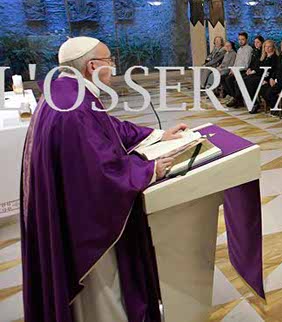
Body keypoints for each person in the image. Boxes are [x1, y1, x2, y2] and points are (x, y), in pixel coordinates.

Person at [21, 36, 187, 322]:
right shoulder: (74, 107)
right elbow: (98, 174)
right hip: (84, 225)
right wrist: (147, 170)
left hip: (65, 208)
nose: (114, 67)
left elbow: (108, 129)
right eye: (110, 61)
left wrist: (159, 135)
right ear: (92, 66)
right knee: (103, 294)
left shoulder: (65, 92)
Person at [258, 38, 282, 115]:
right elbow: (276, 69)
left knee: (270, 92)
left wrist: (276, 81)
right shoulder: (281, 56)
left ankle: (280, 109)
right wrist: (272, 78)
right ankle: (280, 106)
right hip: (279, 81)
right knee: (263, 88)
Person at [223, 32, 254, 101]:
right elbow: (236, 62)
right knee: (224, 78)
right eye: (239, 39)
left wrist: (236, 70)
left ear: (246, 39)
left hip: (243, 70)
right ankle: (233, 96)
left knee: (230, 79)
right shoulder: (239, 49)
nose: (240, 41)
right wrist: (232, 69)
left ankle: (237, 99)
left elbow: (246, 65)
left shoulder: (249, 49)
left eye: (242, 39)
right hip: (236, 70)